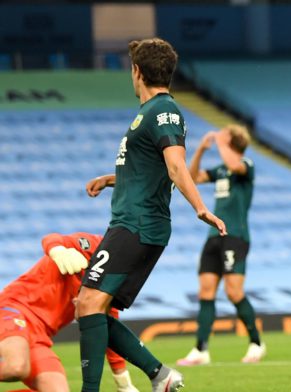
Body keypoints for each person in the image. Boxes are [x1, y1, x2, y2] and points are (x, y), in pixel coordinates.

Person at [76, 38, 226, 392]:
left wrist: (200, 208)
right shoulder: (154, 112)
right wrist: (113, 179)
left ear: (137, 72)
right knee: (91, 306)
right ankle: (161, 376)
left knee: (88, 302)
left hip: (138, 224)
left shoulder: (162, 111)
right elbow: (153, 169)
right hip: (135, 221)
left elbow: (175, 166)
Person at [0, 232, 138, 392]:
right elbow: (51, 238)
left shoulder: (112, 283)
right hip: (14, 309)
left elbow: (108, 330)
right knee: (15, 368)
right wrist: (58, 251)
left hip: (40, 336)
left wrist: (124, 384)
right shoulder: (94, 245)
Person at [176, 124, 266, 365]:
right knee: (205, 291)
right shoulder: (221, 170)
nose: (218, 135)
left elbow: (235, 165)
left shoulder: (246, 165)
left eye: (224, 134)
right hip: (214, 237)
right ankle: (201, 349)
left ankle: (256, 343)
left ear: (232, 141)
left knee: (233, 292)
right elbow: (193, 177)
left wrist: (222, 143)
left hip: (235, 236)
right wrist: (201, 151)